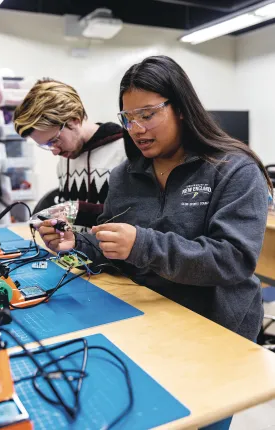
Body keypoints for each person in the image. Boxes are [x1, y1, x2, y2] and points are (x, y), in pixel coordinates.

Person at [38, 55, 271, 429]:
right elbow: (116, 250)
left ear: (180, 108)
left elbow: (233, 260)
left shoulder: (233, 169)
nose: (136, 128)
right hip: (148, 318)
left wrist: (142, 244)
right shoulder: (126, 175)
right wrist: (77, 245)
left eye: (148, 114)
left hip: (215, 330)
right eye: (128, 118)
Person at [13, 78, 126, 231]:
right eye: (46, 145)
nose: (54, 151)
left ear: (74, 120)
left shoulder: (124, 150)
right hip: (73, 253)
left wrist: (78, 211)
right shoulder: (66, 157)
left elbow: (133, 215)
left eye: (55, 140)